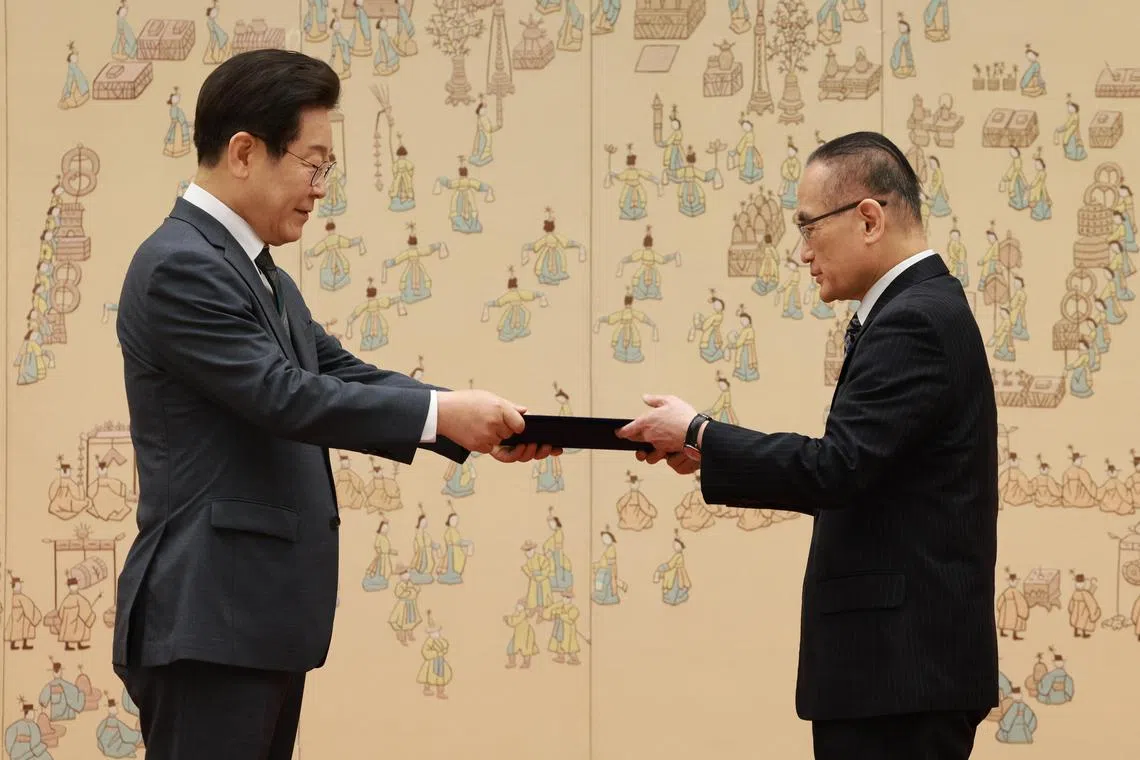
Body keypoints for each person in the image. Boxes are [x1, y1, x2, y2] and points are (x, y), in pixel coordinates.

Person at [111, 49, 556, 760]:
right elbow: (283, 395)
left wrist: (465, 417)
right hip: (208, 618)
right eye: (312, 165)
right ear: (245, 152)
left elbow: (341, 372)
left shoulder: (262, 274)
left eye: (328, 169)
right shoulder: (180, 265)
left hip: (250, 621)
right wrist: (443, 417)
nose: (320, 190)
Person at [617, 131, 998, 760]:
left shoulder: (914, 319)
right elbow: (862, 468)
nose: (801, 253)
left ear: (868, 219)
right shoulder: (923, 308)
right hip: (898, 676)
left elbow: (836, 468)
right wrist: (708, 450)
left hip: (898, 677)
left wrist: (700, 431)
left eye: (809, 227)